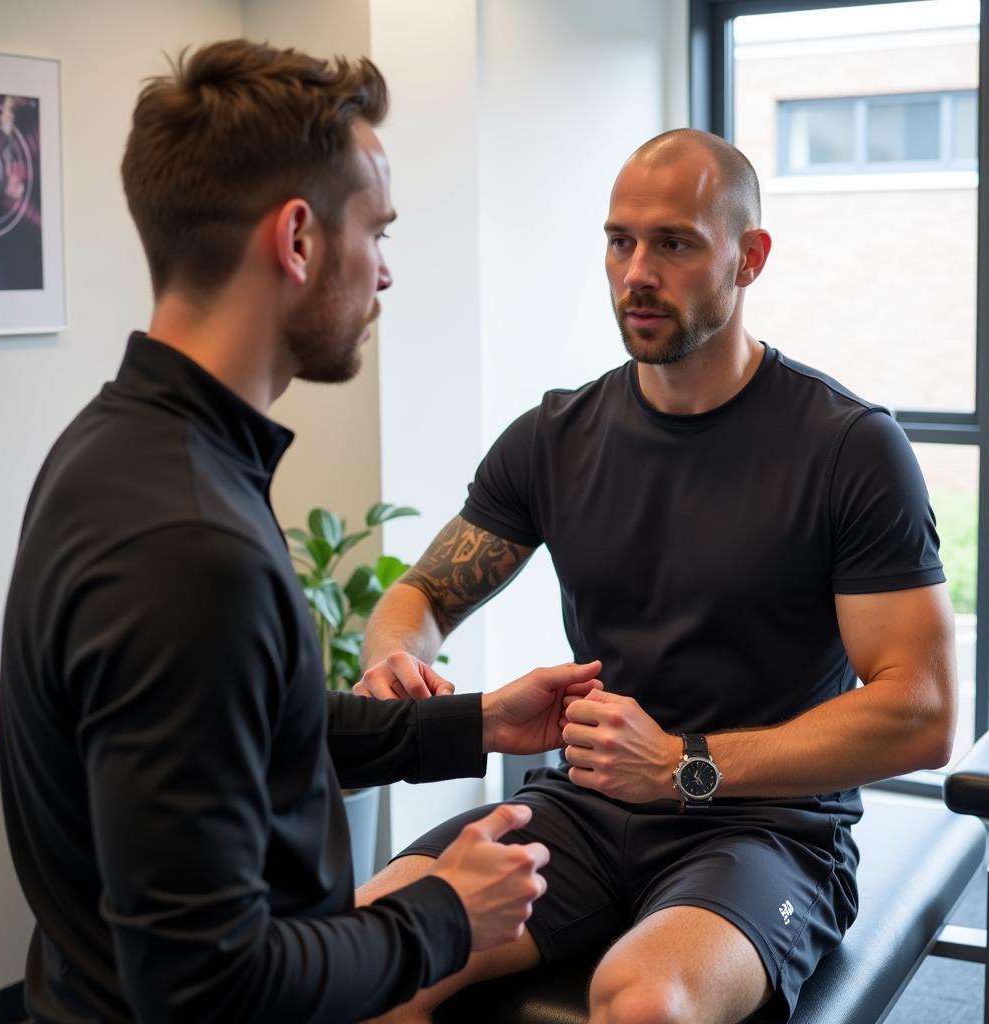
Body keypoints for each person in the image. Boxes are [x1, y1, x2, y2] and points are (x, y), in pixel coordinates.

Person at [0, 39, 606, 1024]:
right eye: (379, 231)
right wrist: (443, 913)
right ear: (297, 238)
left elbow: (243, 729)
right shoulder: (192, 544)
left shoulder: (112, 449)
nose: (387, 275)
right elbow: (205, 985)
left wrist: (474, 720)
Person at [353, 128, 958, 1024]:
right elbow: (423, 596)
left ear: (748, 258)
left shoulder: (848, 448)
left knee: (643, 1002)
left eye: (674, 243)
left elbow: (923, 709)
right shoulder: (554, 438)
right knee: (364, 951)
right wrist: (395, 656)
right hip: (584, 807)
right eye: (619, 240)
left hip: (768, 826)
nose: (637, 271)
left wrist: (684, 767)